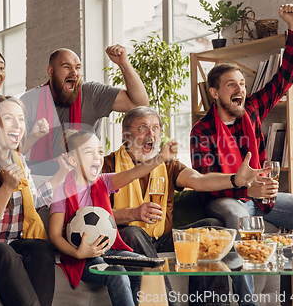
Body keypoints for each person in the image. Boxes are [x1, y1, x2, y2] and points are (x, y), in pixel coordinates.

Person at [190, 4, 293, 302]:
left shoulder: (252, 109)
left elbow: (287, 76)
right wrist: (245, 183)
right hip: (226, 200)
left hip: (263, 198)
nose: (241, 88)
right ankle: (248, 301)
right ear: (214, 93)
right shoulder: (202, 131)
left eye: (243, 83)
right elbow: (207, 181)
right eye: (231, 84)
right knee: (241, 221)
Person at [102, 106, 267, 305]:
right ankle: (169, 302)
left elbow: (199, 181)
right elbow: (98, 214)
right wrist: (132, 213)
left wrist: (235, 180)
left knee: (212, 227)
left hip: (161, 238)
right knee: (131, 233)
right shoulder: (107, 165)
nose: (151, 133)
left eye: (155, 128)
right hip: (126, 240)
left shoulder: (169, 165)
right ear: (126, 134)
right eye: (143, 128)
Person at [0, 95, 70, 306]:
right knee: (3, 251)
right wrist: (6, 187)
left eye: (21, 119)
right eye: (9, 118)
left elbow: (32, 201)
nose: (18, 125)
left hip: (9, 243)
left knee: (40, 248)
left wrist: (63, 173)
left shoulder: (17, 160)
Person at [49, 129, 179, 306]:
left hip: (109, 250)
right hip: (82, 258)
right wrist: (78, 253)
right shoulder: (61, 191)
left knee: (145, 264)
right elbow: (55, 234)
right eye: (89, 152)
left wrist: (161, 157)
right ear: (72, 160)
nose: (97, 157)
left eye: (100, 152)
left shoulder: (104, 181)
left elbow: (135, 173)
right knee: (117, 273)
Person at [20, 45, 149, 175]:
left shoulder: (91, 94)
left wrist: (124, 64)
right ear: (50, 71)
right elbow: (13, 151)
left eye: (77, 68)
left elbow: (139, 104)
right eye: (66, 67)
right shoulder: (30, 101)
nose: (74, 72)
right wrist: (33, 136)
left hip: (84, 181)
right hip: (42, 181)